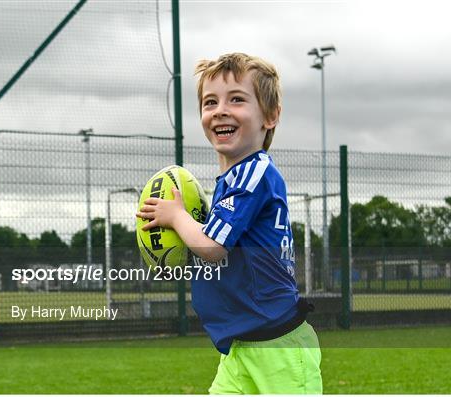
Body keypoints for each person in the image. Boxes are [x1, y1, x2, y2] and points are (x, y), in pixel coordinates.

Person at [136, 53, 322, 394]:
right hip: (241, 347)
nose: (220, 109)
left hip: (278, 346)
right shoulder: (229, 183)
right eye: (210, 102)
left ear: (270, 115)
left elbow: (211, 247)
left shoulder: (254, 172)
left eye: (236, 99)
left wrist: (176, 216)